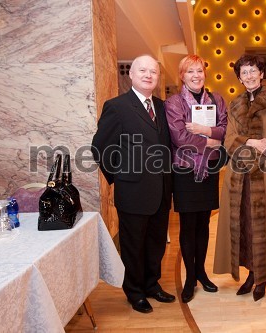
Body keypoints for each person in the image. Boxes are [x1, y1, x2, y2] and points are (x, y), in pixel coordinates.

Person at [91, 55, 175, 314]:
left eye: (153, 71)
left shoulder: (162, 107)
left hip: (161, 190)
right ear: (132, 74)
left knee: (156, 242)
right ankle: (135, 292)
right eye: (143, 70)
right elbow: (100, 147)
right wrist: (121, 176)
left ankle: (152, 284)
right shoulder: (117, 106)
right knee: (133, 245)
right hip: (133, 191)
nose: (148, 75)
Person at [213, 54, 266, 302]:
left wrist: (248, 145)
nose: (249, 76)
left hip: (264, 174)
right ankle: (250, 273)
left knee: (264, 227)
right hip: (238, 176)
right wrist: (251, 141)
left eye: (253, 71)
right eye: (244, 72)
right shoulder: (234, 104)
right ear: (240, 78)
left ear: (261, 74)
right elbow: (228, 140)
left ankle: (262, 277)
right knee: (244, 225)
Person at [164, 55, 228, 303]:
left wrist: (203, 130)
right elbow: (180, 138)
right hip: (185, 172)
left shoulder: (217, 100)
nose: (196, 75)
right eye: (190, 71)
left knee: (204, 224)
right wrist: (211, 141)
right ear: (182, 75)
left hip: (209, 170)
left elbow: (225, 129)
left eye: (199, 71)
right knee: (188, 226)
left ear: (205, 73)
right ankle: (190, 278)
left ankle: (201, 272)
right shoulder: (174, 103)